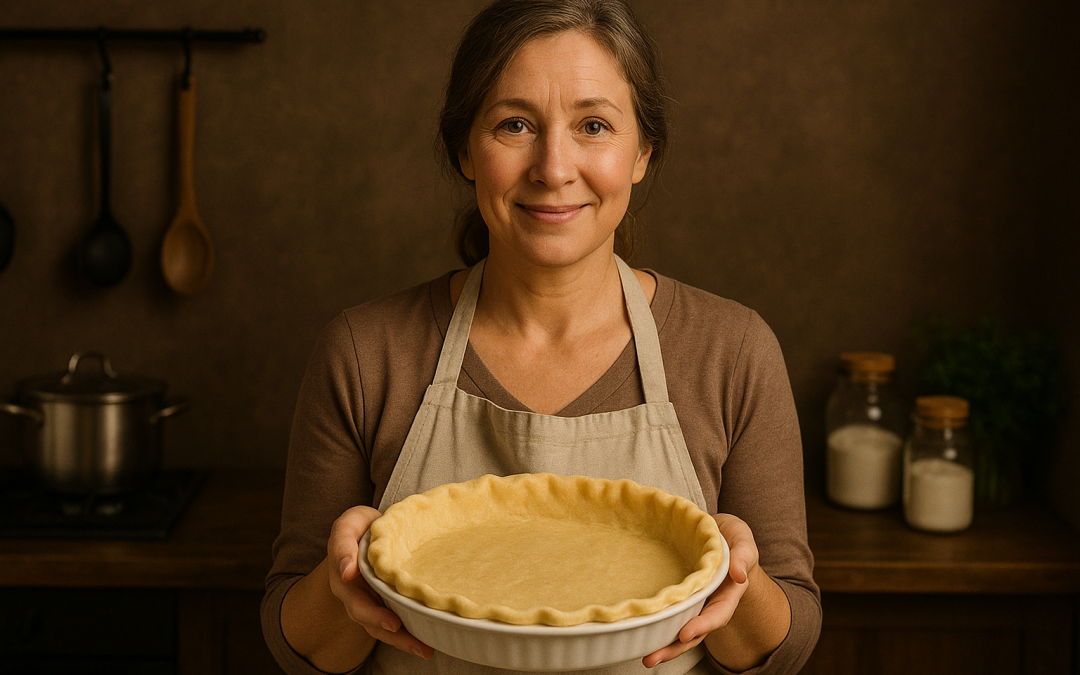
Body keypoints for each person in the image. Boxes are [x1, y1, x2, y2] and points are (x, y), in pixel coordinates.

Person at [261, 0, 821, 673]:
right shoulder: (364, 352)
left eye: (593, 125)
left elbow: (783, 646)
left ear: (643, 151)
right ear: (465, 150)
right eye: (515, 124)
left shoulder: (733, 351)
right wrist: (337, 579)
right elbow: (298, 645)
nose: (553, 167)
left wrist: (739, 575)